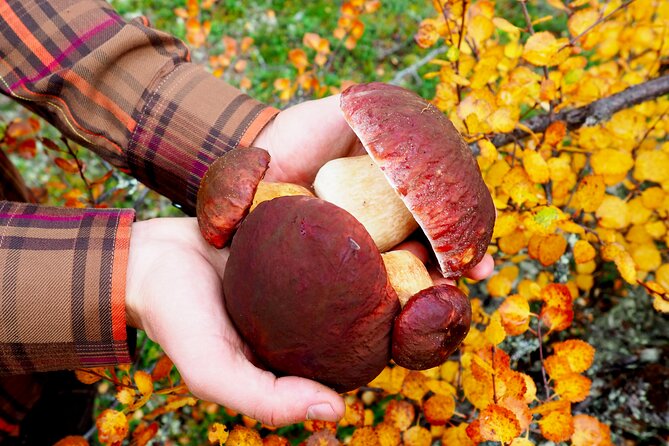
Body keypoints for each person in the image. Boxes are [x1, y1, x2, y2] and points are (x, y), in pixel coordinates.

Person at [0, 0, 494, 441]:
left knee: (57, 406)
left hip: (38, 353)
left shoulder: (281, 202)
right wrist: (116, 275)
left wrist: (247, 138)